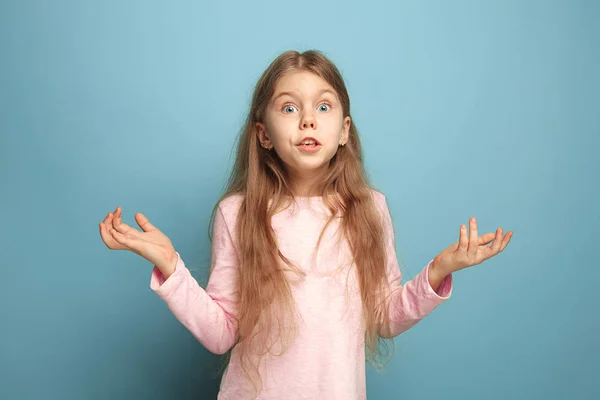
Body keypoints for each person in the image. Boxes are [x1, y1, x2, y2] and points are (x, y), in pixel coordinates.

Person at [98, 50, 512, 400]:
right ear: (263, 134)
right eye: (289, 107)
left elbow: (384, 316)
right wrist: (171, 267)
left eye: (324, 106)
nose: (308, 120)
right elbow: (222, 333)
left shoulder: (370, 209)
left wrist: (438, 272)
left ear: (344, 130)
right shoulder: (237, 213)